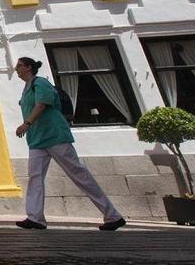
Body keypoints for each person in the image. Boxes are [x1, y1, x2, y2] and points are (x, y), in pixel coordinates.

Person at [14, 57, 126, 231]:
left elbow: (41, 104)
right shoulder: (26, 88)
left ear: (28, 68)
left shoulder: (40, 83)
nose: (16, 69)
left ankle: (112, 216)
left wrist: (26, 124)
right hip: (37, 140)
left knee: (78, 173)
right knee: (35, 177)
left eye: (19, 66)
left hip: (55, 136)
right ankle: (35, 218)